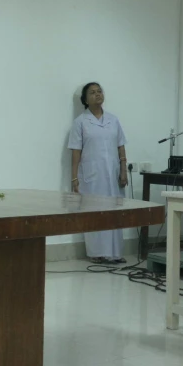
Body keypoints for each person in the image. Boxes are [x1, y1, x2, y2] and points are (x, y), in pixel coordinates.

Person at [68, 83, 129, 264]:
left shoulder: (113, 120)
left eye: (99, 91)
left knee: (115, 211)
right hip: (92, 176)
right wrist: (74, 177)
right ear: (85, 100)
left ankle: (115, 253)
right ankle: (97, 253)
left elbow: (121, 145)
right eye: (92, 93)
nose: (97, 95)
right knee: (95, 211)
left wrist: (124, 169)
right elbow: (75, 151)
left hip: (113, 174)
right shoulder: (80, 122)